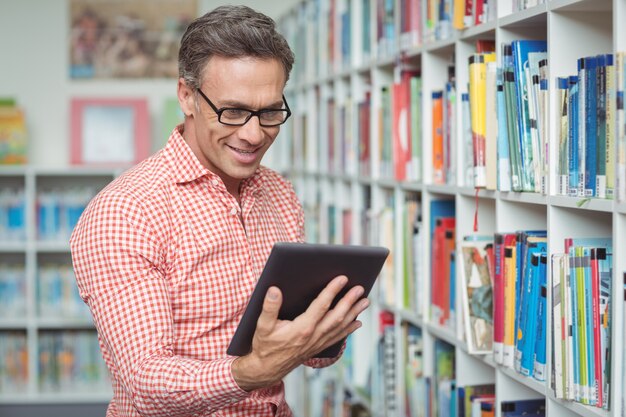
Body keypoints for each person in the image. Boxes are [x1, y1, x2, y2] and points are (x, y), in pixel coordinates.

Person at [70, 5, 370, 417]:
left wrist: (325, 331)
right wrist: (252, 370)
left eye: (269, 112)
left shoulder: (280, 193)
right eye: (232, 111)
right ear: (187, 96)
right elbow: (146, 384)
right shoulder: (125, 212)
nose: (253, 135)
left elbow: (308, 355)